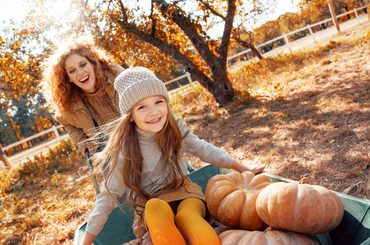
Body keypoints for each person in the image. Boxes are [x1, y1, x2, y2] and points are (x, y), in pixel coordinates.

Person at [80, 67, 265, 245]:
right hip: (150, 201)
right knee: (154, 208)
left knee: (187, 215)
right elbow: (107, 196)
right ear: (130, 116)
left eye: (158, 102)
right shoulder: (124, 149)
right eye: (142, 107)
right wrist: (85, 242)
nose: (153, 112)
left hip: (183, 191)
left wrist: (243, 168)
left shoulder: (173, 126)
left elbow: (203, 149)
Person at [39, 38, 125, 156]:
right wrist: (80, 138)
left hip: (138, 133)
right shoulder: (69, 103)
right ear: (68, 78)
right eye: (72, 71)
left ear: (93, 63)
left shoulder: (118, 76)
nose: (80, 72)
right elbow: (68, 124)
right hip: (107, 148)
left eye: (83, 65)